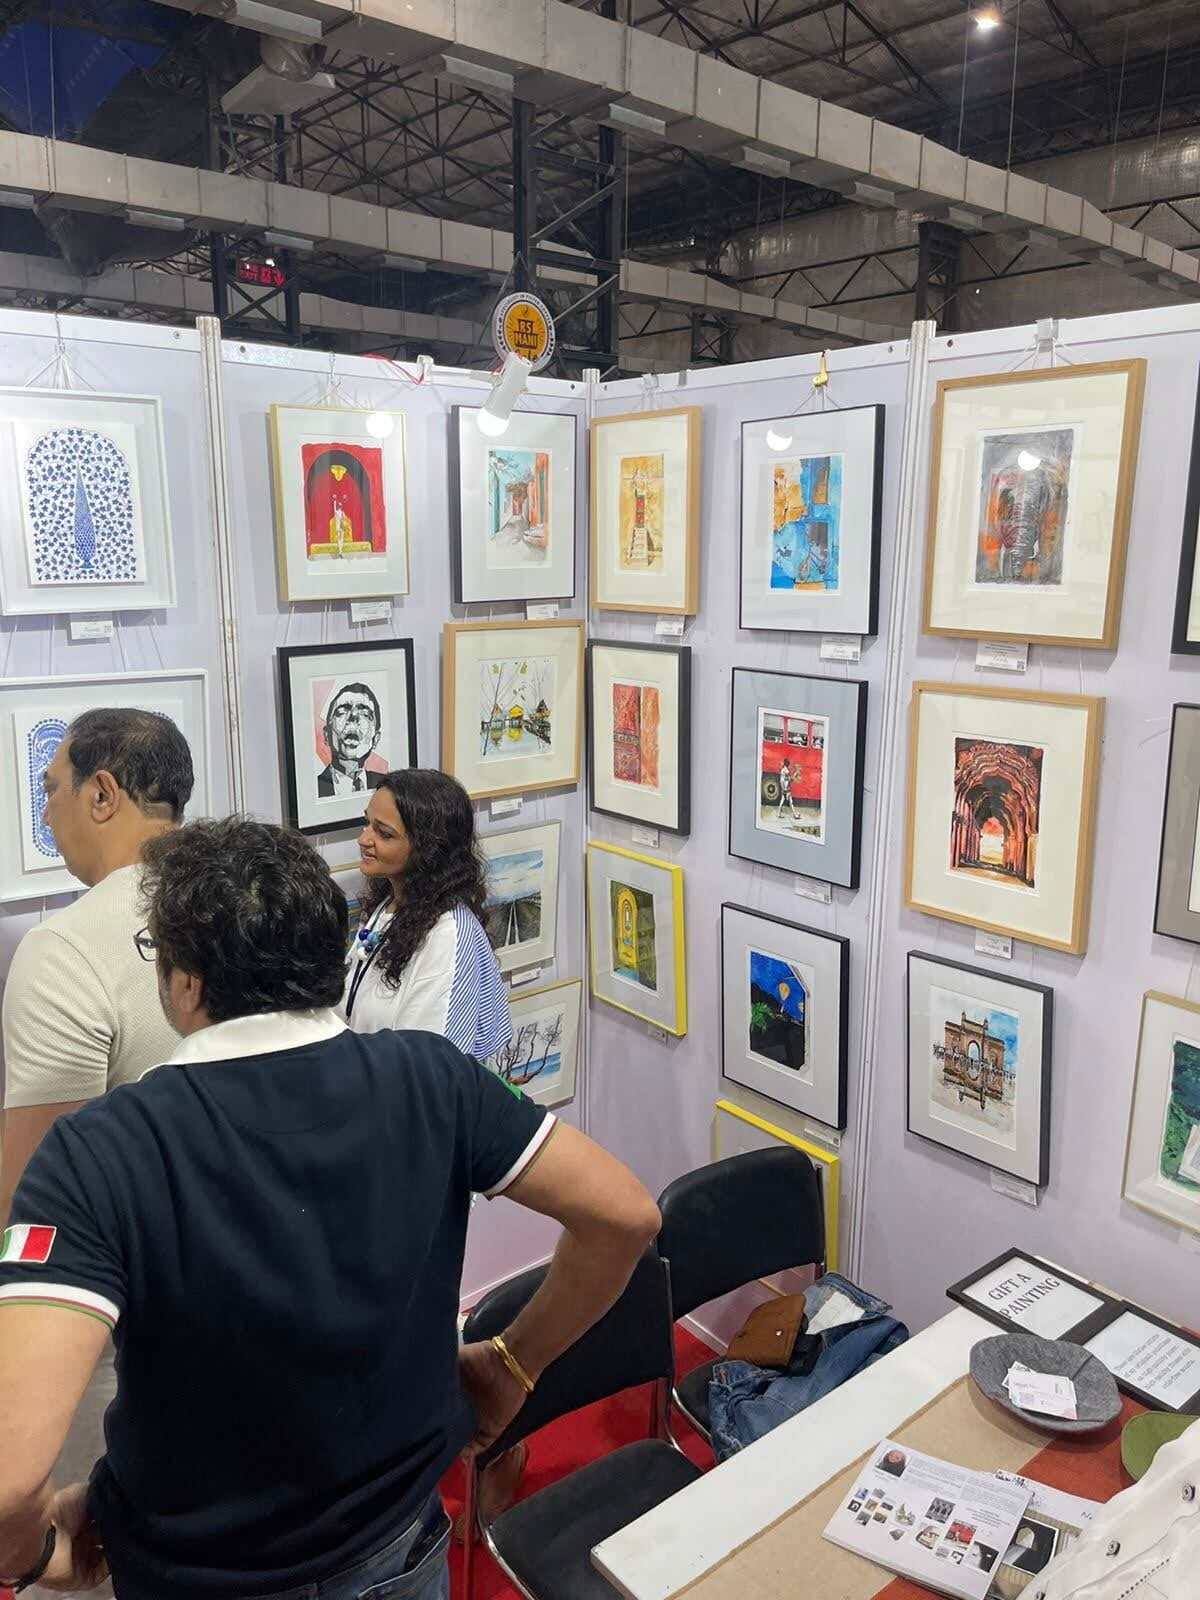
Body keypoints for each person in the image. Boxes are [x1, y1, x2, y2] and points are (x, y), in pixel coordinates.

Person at [0, 818, 660, 1600]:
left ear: (186, 981)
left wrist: (33, 1555)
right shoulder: (433, 1077)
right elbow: (625, 1216)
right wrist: (515, 1362)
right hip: (402, 1549)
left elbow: (10, 1480)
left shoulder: (98, 1150)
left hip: (205, 1574)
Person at [343, 767, 512, 1060]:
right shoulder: (387, 905)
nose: (363, 838)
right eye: (366, 823)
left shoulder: (447, 934)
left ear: (427, 848)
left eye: (383, 833)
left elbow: (429, 1063)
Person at [317, 681, 384, 798]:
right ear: (327, 735)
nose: (353, 716)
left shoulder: (387, 786)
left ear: (376, 739)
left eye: (365, 714)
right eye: (342, 712)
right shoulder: (314, 789)